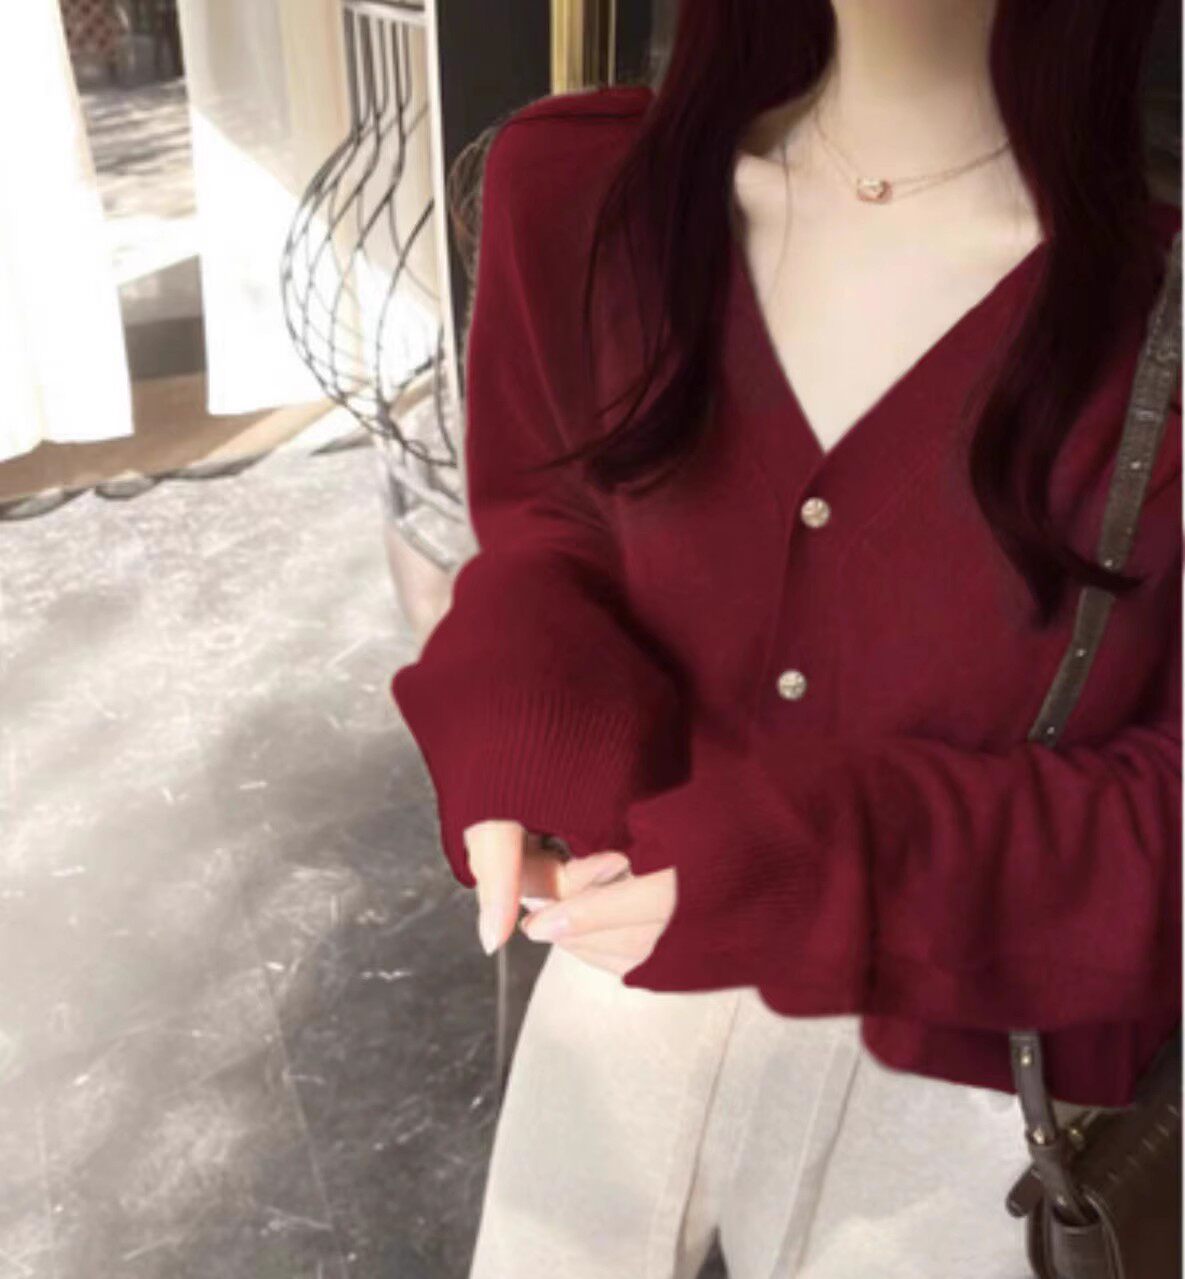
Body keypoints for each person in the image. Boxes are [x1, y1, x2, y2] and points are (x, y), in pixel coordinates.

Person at [391, 2, 1183, 1275]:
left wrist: (822, 865)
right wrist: (524, 722)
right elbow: (551, 529)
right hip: (623, 970)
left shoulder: (1159, 318)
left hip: (978, 1062)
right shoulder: (583, 194)